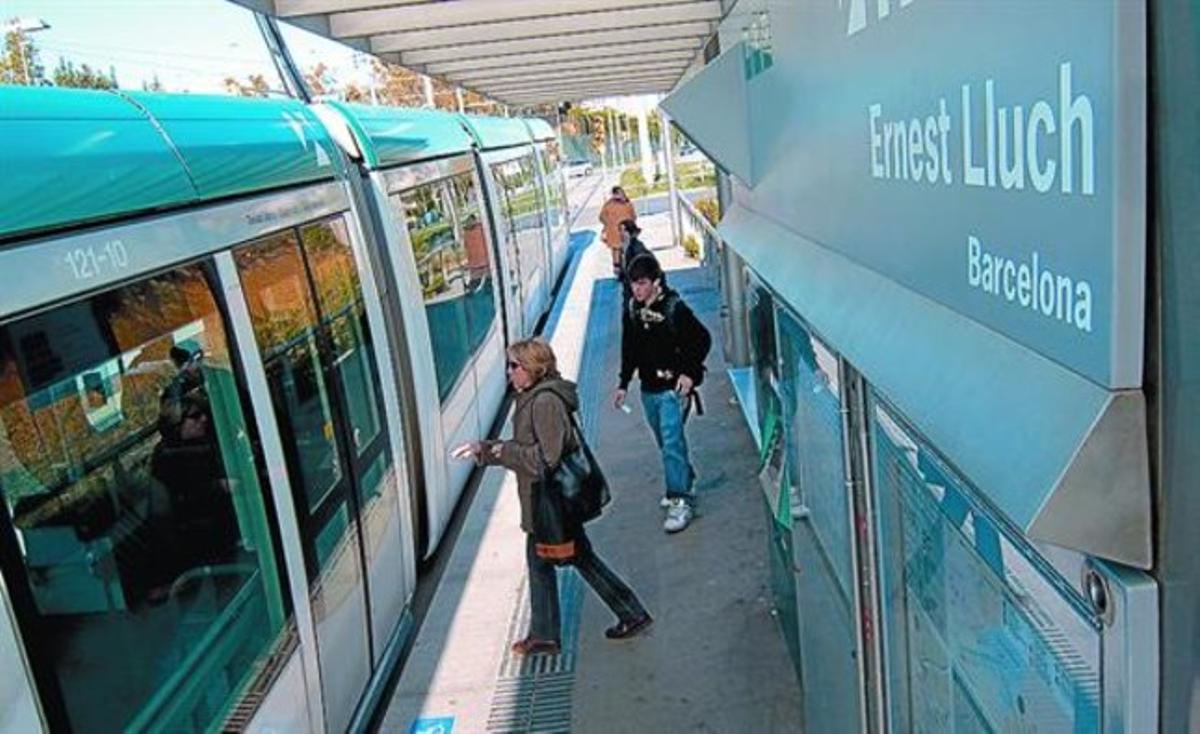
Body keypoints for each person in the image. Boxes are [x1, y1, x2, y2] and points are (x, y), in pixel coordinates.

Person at [461, 338, 652, 654]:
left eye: (514, 366)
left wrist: (498, 450)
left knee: (579, 558)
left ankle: (629, 613)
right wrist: (487, 450)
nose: (509, 372)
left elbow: (546, 458)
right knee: (542, 562)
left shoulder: (545, 402)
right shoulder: (533, 396)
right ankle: (545, 634)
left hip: (553, 502)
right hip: (544, 501)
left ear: (533, 368)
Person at [613, 254, 712, 533]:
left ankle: (680, 499)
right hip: (648, 391)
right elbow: (628, 347)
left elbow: (702, 339)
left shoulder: (674, 308)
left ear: (656, 281)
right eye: (633, 284)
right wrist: (623, 384)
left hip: (672, 391)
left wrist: (688, 374)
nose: (637, 289)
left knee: (671, 443)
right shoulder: (632, 309)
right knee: (666, 442)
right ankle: (684, 478)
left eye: (642, 283)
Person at [599, 186, 637, 277]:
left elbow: (601, 217)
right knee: (626, 249)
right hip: (626, 231)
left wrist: (608, 224)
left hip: (614, 232)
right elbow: (633, 216)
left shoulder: (608, 205)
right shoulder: (627, 203)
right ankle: (628, 268)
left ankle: (617, 269)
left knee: (616, 251)